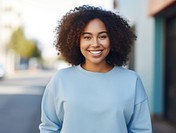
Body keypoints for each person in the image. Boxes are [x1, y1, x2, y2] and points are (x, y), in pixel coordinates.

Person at [39, 5, 152, 133]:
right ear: (77, 41)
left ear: (113, 39)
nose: (95, 44)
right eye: (87, 37)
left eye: (102, 36)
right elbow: (49, 127)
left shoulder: (132, 80)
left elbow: (141, 130)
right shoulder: (61, 79)